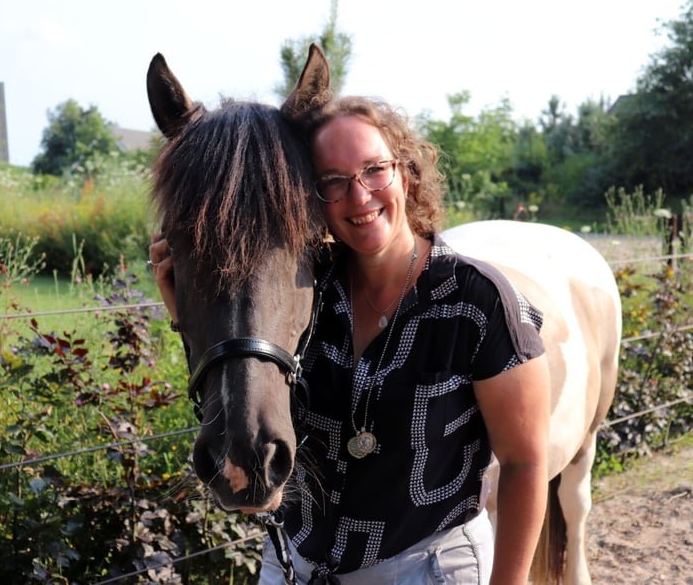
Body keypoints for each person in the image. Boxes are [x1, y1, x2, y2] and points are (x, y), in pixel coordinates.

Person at [149, 94, 550, 584]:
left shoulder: (477, 301)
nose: (358, 196)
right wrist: (184, 308)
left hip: (426, 570)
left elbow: (525, 462)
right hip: (296, 565)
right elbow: (258, 409)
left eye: (374, 170)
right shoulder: (308, 291)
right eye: (332, 182)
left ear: (405, 171)